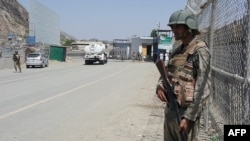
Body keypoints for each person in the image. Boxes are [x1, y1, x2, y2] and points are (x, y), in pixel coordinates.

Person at [155, 9, 211, 141]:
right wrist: (159, 86)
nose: (174, 30)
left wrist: (189, 117)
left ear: (189, 27)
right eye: (172, 27)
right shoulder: (177, 51)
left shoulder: (200, 51)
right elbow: (166, 73)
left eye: (178, 27)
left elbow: (204, 88)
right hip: (171, 112)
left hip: (185, 115)